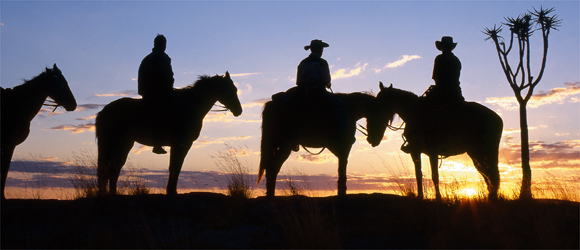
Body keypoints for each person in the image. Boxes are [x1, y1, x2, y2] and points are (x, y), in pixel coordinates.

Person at [138, 34, 174, 154]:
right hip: (158, 92)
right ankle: (158, 142)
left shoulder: (146, 58)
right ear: (163, 45)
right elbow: (168, 76)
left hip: (146, 92)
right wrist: (169, 88)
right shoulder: (163, 57)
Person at [426, 36, 464, 105]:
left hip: (441, 91)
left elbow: (436, 76)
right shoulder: (456, 60)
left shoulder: (439, 58)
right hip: (455, 91)